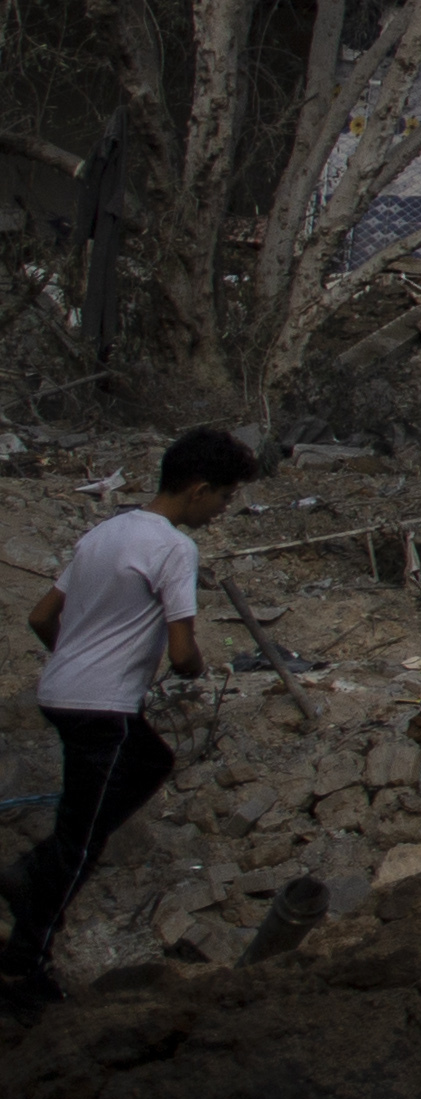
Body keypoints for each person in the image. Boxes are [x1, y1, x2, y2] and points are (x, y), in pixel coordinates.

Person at [7, 426, 254, 995]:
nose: (222, 510)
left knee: (149, 762)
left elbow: (42, 618)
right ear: (198, 489)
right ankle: (23, 967)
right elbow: (183, 650)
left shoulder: (104, 533)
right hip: (102, 709)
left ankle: (36, 872)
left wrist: (76, 661)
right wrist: (195, 670)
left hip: (61, 694)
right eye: (224, 497)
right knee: (82, 840)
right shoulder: (174, 547)